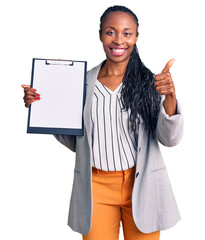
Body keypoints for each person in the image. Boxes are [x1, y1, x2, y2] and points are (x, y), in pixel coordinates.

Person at [22, 5, 184, 240]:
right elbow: (75, 141)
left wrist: (170, 96)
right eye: (111, 32)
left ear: (136, 37)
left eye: (127, 33)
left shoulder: (152, 82)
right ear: (100, 35)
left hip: (142, 184)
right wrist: (42, 107)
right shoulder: (81, 83)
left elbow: (170, 139)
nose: (119, 39)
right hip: (94, 186)